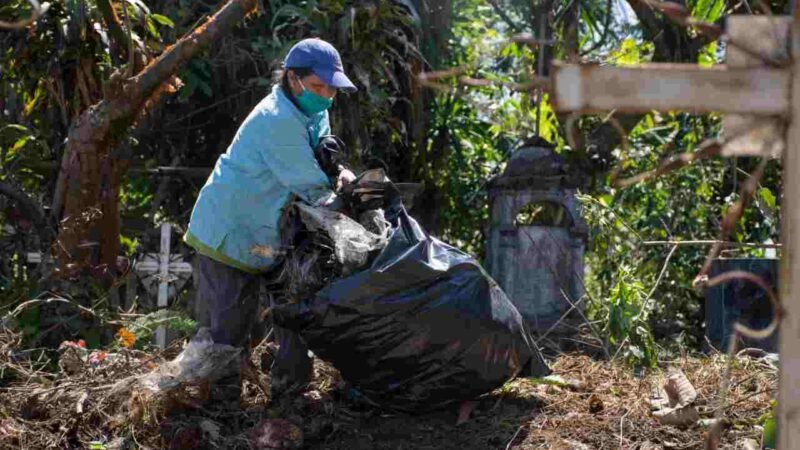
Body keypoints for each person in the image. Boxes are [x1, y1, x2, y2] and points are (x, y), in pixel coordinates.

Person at [183, 38, 357, 400]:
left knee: (296, 308)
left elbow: (324, 158)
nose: (325, 96)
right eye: (316, 87)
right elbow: (312, 187)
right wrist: (354, 207)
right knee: (227, 332)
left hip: (270, 233)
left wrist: (342, 172)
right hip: (230, 230)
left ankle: (290, 397)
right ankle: (215, 413)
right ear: (292, 80)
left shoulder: (314, 109)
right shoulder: (276, 119)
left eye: (330, 89)